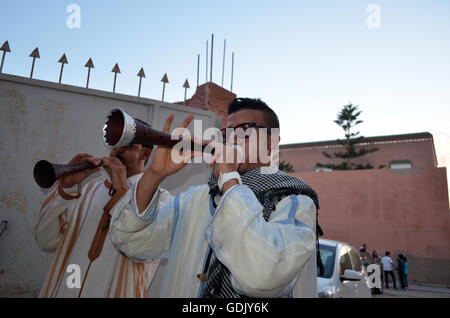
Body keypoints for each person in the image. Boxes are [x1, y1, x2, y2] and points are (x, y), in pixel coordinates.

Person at [109, 98, 320, 297]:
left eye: (244, 131)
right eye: (227, 132)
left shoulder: (295, 201)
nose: (231, 139)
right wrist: (155, 174)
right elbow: (129, 241)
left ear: (271, 143)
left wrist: (228, 177)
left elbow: (263, 274)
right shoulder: (197, 198)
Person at [35, 139, 160, 297]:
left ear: (146, 153)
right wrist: (67, 188)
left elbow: (141, 252)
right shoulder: (85, 191)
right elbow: (45, 241)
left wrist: (122, 192)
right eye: (115, 144)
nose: (118, 149)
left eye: (127, 145)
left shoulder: (157, 200)